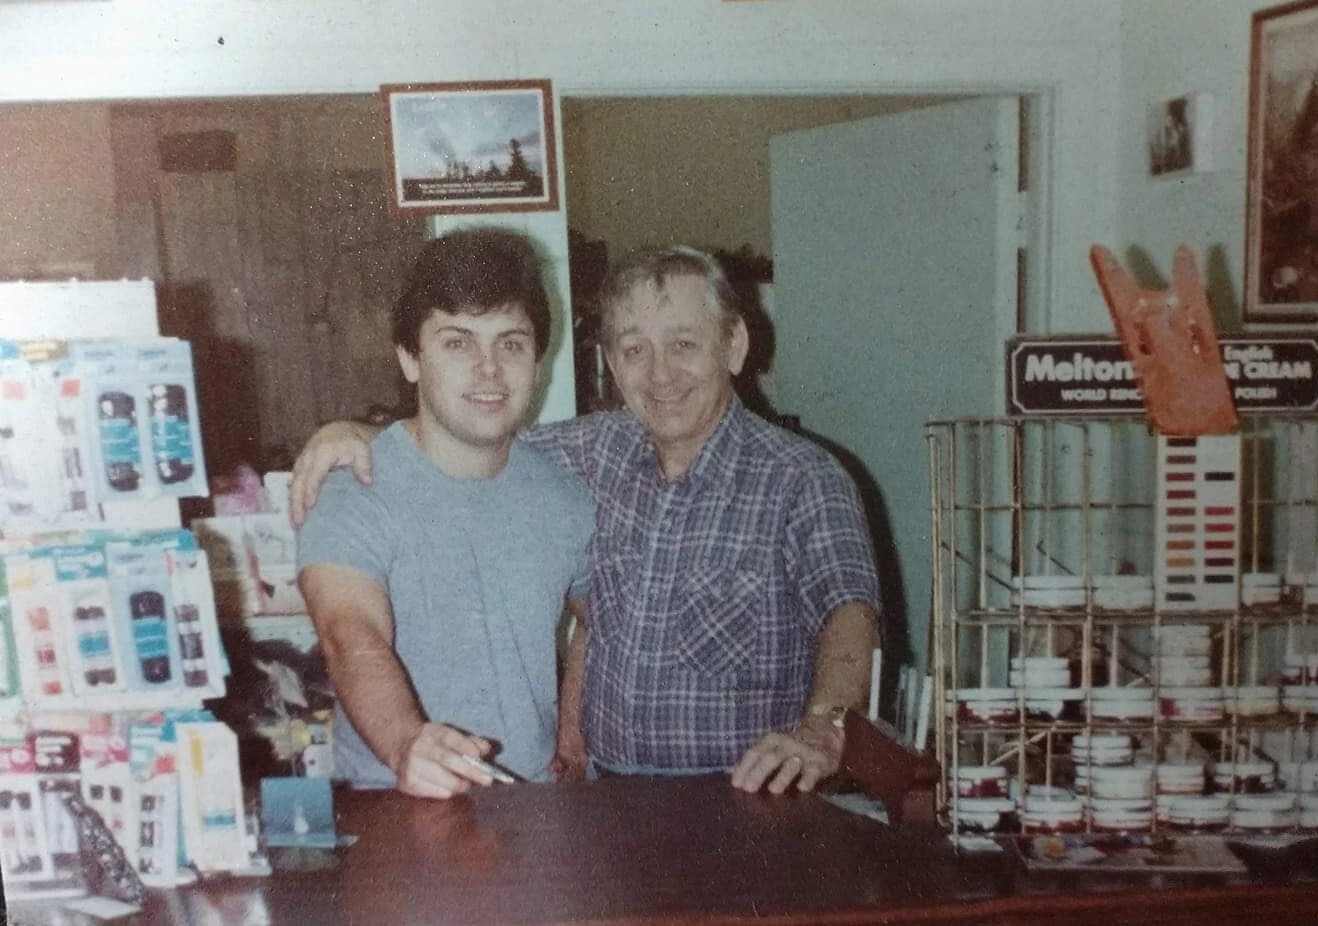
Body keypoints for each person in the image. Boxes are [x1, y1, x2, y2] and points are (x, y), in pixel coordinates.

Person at [291, 246, 881, 795]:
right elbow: (464, 441)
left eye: (682, 344)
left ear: (733, 345)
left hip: (743, 796)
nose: (659, 375)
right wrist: (359, 434)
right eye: (633, 350)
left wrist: (824, 727)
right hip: (596, 797)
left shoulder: (806, 477)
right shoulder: (591, 454)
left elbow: (849, 613)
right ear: (611, 364)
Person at [295, 228, 595, 799]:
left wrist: (572, 733)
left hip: (530, 803)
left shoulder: (565, 495)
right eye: (458, 342)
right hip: (395, 798)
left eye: (510, 343)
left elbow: (600, 613)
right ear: (410, 358)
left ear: (538, 360)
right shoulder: (353, 484)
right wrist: (408, 741)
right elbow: (349, 634)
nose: (488, 369)